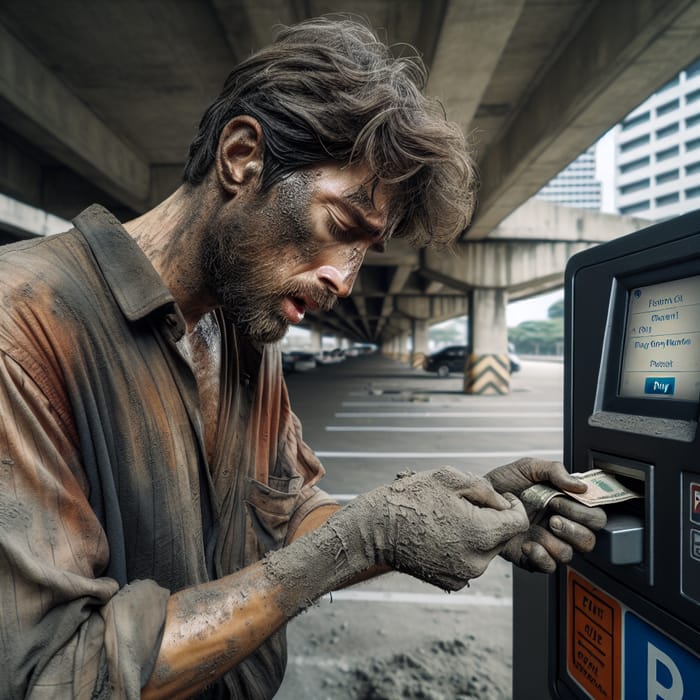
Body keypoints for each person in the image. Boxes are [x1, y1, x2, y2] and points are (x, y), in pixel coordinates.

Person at [0, 16, 605, 700]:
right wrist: (365, 537)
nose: (345, 280)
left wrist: (441, 514)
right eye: (342, 226)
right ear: (241, 157)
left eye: (364, 252)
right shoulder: (22, 324)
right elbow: (56, 674)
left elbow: (291, 518)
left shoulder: (247, 331)